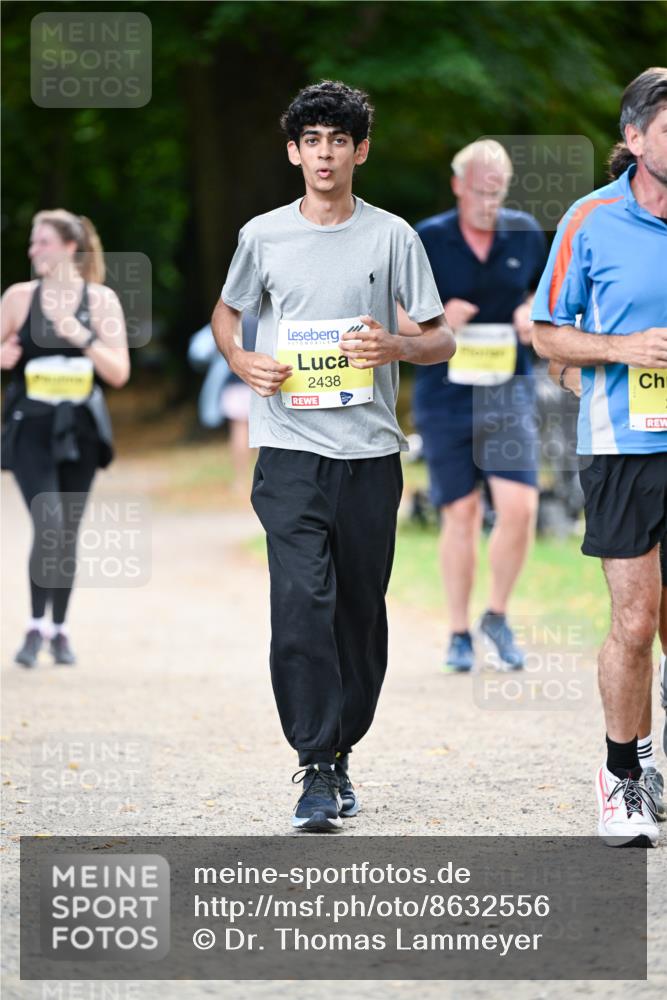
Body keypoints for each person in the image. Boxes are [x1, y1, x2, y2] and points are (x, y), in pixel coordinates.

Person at [212, 81, 455, 832]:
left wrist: (397, 345)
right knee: (299, 604)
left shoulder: (392, 237)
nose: (324, 153)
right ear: (293, 152)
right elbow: (227, 313)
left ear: (360, 151)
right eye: (311, 140)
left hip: (370, 453)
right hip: (287, 451)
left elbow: (440, 338)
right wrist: (241, 359)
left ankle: (342, 746)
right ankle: (314, 764)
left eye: (337, 141)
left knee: (356, 611)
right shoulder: (262, 235)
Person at [533, 67, 667, 847]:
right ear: (633, 138)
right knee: (635, 616)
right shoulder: (589, 220)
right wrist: (619, 349)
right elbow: (547, 332)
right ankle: (620, 777)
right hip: (623, 447)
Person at [401, 140, 547, 672]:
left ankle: (498, 614)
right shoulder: (427, 238)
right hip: (445, 394)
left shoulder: (526, 233)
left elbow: (547, 295)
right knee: (459, 512)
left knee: (520, 508)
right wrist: (436, 319)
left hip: (507, 388)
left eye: (497, 191)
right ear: (458, 185)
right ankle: (459, 630)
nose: (489, 200)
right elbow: (394, 315)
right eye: (479, 190)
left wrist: (533, 313)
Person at [1, 209, 130, 667]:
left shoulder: (100, 301)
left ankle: (59, 629)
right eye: (33, 243)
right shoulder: (18, 298)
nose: (33, 250)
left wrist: (79, 335)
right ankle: (35, 626)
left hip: (80, 431)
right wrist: (3, 354)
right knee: (49, 522)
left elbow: (118, 372)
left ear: (69, 248)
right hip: (31, 429)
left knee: (67, 532)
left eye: (42, 242)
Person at [551, 366, 666, 821]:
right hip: (625, 451)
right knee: (637, 623)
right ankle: (635, 769)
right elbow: (551, 345)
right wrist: (591, 372)